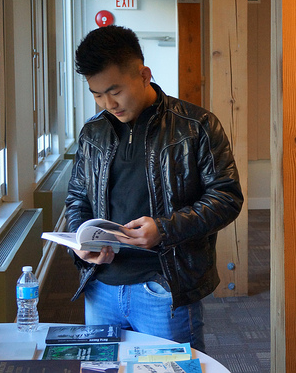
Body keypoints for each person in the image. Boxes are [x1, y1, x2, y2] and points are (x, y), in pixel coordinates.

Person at [65, 25, 243, 350]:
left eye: (115, 91)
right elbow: (77, 197)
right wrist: (81, 242)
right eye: (96, 93)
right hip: (101, 286)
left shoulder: (196, 126)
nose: (107, 103)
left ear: (144, 74)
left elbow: (227, 197)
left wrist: (164, 229)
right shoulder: (93, 132)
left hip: (163, 289)